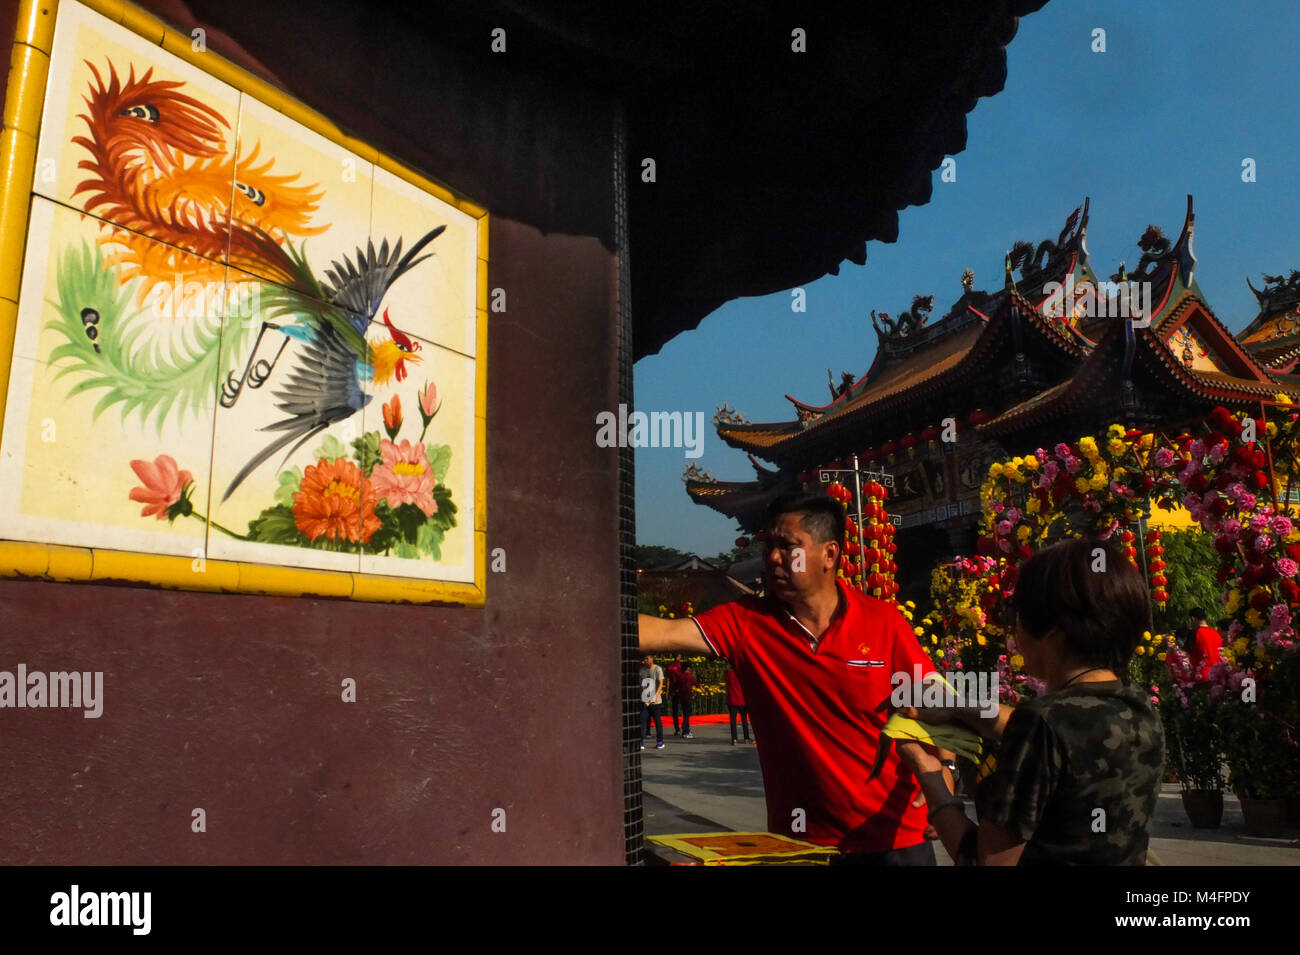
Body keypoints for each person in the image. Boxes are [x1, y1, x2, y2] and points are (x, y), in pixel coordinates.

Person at [638, 491, 950, 864]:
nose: (772, 558)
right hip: (802, 845)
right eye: (770, 545)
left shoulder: (883, 622)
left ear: (830, 554)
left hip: (897, 838)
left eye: (788, 546)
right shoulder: (746, 622)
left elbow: (936, 702)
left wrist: (947, 770)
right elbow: (662, 633)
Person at [892, 537, 1165, 865]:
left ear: (1051, 629)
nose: (1014, 628)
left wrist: (931, 776)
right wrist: (957, 707)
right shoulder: (1138, 707)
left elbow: (987, 861)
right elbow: (1045, 732)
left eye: (1016, 613)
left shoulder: (1043, 723)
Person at [1187, 609, 1223, 682]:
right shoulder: (1217, 634)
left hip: (1200, 676)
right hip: (1217, 676)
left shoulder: (1194, 633)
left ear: (1193, 619)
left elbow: (1186, 652)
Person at [639, 654, 666, 750]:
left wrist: (656, 696)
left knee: (657, 721)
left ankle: (660, 741)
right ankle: (640, 742)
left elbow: (661, 684)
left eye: (647, 658)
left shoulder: (657, 669)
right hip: (645, 701)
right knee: (642, 720)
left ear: (651, 659)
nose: (645, 660)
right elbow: (640, 685)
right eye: (644, 658)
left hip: (655, 701)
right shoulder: (642, 670)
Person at [725, 662, 752, 745]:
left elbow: (727, 686)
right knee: (744, 719)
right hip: (742, 700)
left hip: (732, 700)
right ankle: (746, 738)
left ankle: (734, 739)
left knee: (733, 720)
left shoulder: (729, 674)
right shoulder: (742, 673)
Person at [674, 662, 698, 738]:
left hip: (681, 697)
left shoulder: (680, 676)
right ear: (688, 668)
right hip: (688, 697)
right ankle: (685, 730)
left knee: (685, 713)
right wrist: (704, 691)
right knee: (687, 715)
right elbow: (697, 684)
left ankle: (687, 730)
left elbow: (676, 685)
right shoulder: (691, 676)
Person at [665, 653, 684, 735]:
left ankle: (677, 728)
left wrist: (667, 691)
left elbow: (668, 680)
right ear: (678, 657)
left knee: (675, 710)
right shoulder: (682, 666)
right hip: (681, 690)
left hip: (673, 691)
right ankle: (685, 727)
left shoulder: (670, 667)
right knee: (684, 709)